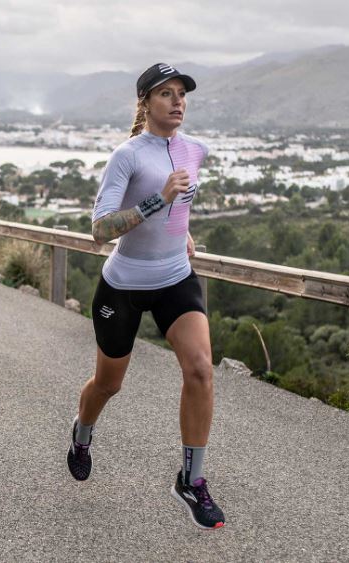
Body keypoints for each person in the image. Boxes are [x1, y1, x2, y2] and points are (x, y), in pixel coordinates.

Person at [66, 63, 225, 530]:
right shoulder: (127, 156)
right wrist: (158, 200)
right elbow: (99, 230)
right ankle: (82, 433)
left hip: (175, 277)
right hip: (124, 286)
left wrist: (183, 232)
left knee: (199, 369)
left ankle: (191, 481)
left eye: (182, 94)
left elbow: (182, 208)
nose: (177, 102)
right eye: (166, 94)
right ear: (145, 103)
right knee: (108, 384)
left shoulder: (195, 150)